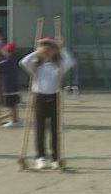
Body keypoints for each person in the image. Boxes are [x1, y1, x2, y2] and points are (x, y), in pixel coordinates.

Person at [19, 37, 75, 169]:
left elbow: (70, 62)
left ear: (54, 51)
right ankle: (40, 157)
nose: (47, 53)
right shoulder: (35, 65)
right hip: (39, 97)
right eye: (44, 50)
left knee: (55, 129)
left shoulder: (58, 65)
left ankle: (55, 158)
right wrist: (37, 51)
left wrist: (62, 48)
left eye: (49, 50)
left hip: (54, 97)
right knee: (40, 128)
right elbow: (23, 62)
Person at [0, 43, 22, 127]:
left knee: (11, 105)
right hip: (13, 86)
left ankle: (14, 121)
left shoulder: (8, 60)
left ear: (8, 51)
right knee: (13, 105)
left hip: (9, 86)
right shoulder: (12, 59)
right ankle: (15, 119)